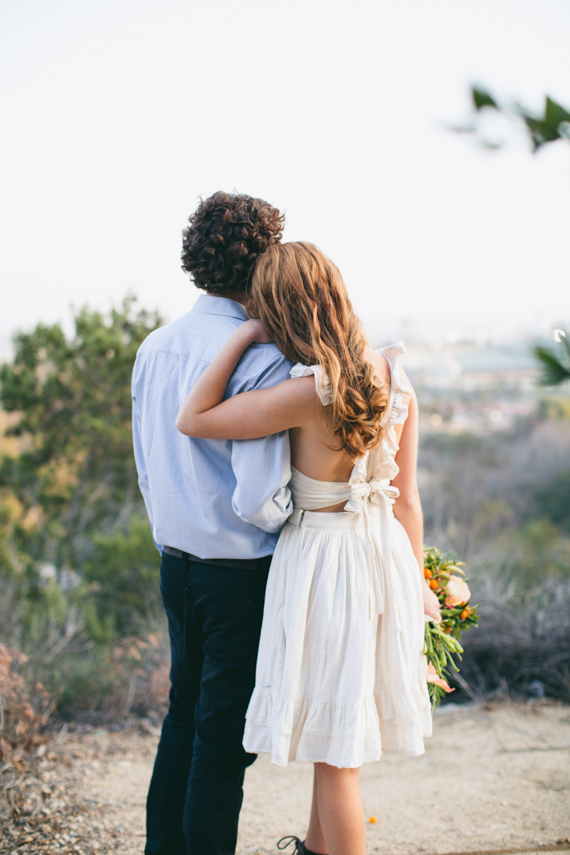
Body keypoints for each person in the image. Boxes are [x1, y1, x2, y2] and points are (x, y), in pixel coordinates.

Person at [176, 241, 442, 855]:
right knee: (336, 735)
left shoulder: (307, 392)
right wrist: (419, 586)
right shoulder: (395, 377)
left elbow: (195, 418)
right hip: (383, 556)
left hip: (326, 564)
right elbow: (407, 499)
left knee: (336, 756)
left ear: (281, 312)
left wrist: (243, 337)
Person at [132, 191, 294, 855]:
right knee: (223, 742)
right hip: (239, 574)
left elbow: (147, 463)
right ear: (264, 262)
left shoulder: (156, 347)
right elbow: (259, 496)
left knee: (182, 719)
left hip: (175, 562)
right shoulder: (264, 359)